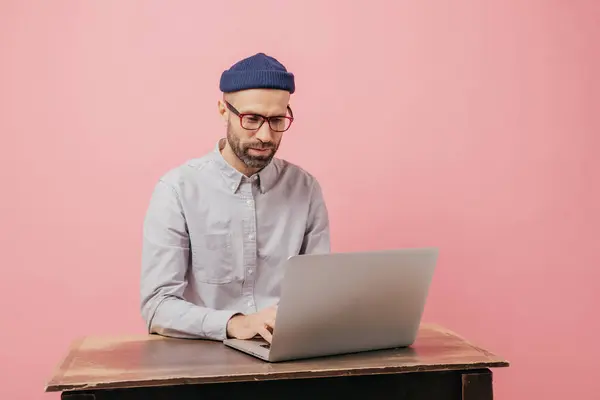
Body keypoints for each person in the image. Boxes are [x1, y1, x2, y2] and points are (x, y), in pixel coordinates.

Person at [140, 53, 330, 343]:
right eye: (251, 119)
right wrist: (233, 323)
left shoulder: (305, 189)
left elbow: (319, 294)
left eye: (277, 120)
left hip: (289, 359)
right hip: (205, 365)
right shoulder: (177, 189)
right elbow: (157, 307)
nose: (265, 135)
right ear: (222, 110)